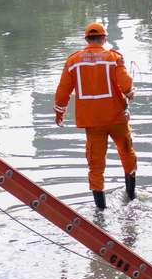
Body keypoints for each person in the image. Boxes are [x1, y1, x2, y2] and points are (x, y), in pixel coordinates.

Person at [54, 22, 137, 209]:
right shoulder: (113, 57)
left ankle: (100, 210)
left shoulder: (73, 61)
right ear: (104, 38)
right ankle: (131, 196)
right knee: (127, 153)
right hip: (117, 119)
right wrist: (131, 92)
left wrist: (60, 112)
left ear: (86, 39)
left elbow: (63, 91)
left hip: (92, 123)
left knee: (96, 165)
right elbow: (126, 84)